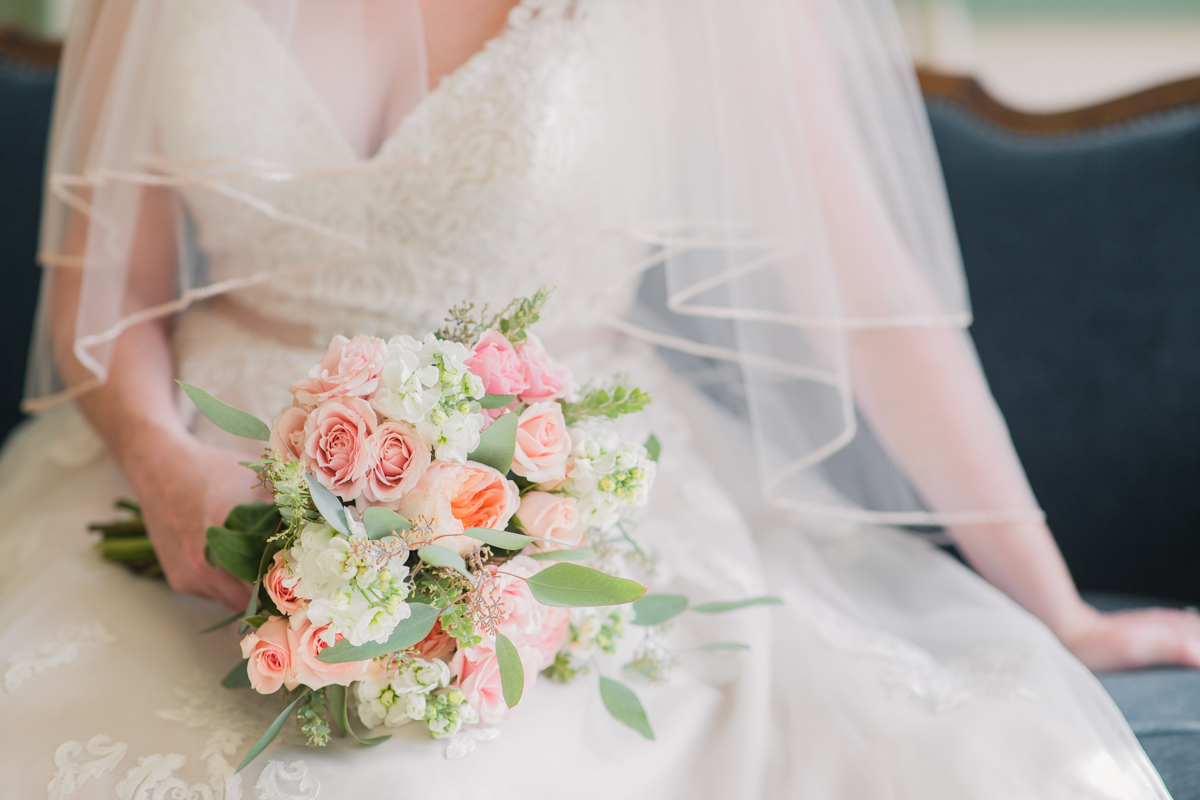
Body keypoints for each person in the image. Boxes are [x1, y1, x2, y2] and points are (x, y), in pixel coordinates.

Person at [1, 0, 1192, 797]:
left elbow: (870, 306)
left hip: (558, 494)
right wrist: (167, 472)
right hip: (194, 473)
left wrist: (1057, 606)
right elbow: (109, 301)